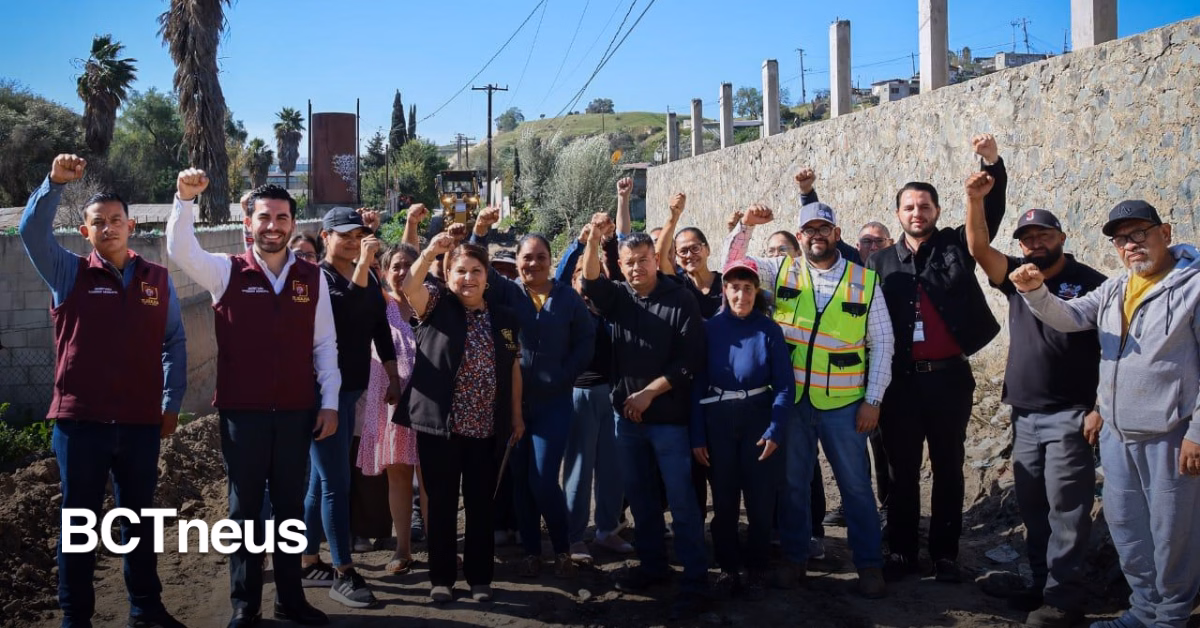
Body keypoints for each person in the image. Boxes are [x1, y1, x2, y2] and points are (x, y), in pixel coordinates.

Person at [1010, 200, 1200, 628]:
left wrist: (1198, 433)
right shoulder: (1116, 288)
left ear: (1165, 233)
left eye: (1139, 234)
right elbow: (1069, 317)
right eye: (1121, 239)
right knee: (1128, 530)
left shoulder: (1194, 287)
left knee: (1173, 535)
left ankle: (1169, 618)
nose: (1131, 245)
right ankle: (1143, 610)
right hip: (1116, 434)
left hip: (1171, 435)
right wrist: (1034, 291)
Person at [21, 154, 187, 628]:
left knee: (138, 522)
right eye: (99, 222)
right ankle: (76, 616)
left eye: (116, 220)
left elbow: (173, 341)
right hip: (81, 424)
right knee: (79, 526)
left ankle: (146, 609)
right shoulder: (68, 273)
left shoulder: (158, 279)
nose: (109, 228)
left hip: (139, 423)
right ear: (84, 231)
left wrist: (170, 402)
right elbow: (32, 231)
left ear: (131, 225)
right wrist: (53, 183)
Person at [167, 173, 336, 627]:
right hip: (244, 413)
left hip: (298, 410)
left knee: (288, 507)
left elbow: (324, 346)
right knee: (244, 511)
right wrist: (185, 200)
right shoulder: (226, 272)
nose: (274, 225)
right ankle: (246, 604)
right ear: (249, 223)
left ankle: (290, 600)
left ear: (292, 222)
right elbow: (181, 250)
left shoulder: (311, 278)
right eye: (265, 217)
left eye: (282, 217)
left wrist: (331, 402)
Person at [723, 201, 894, 598]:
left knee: (856, 488)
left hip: (845, 406)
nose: (817, 235)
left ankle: (869, 565)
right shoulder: (781, 270)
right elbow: (731, 262)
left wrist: (874, 399)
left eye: (824, 228)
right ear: (799, 237)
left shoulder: (863, 280)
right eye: (809, 230)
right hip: (793, 403)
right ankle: (795, 559)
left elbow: (882, 343)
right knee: (793, 485)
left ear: (836, 233)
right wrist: (746, 225)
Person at [964, 176, 1106, 627]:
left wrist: (1099, 405)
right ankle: (1042, 585)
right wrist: (974, 200)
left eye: (1043, 234)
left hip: (1071, 414)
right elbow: (977, 249)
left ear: (1062, 237)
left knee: (1068, 510)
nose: (1034, 243)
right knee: (1034, 508)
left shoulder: (1092, 284)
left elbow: (1113, 350)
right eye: (1026, 238)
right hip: (1023, 414)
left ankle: (1065, 601)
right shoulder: (1016, 278)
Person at [865, 134, 1008, 583]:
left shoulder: (955, 246)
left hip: (949, 381)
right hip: (900, 383)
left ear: (937, 212)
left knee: (948, 467)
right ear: (898, 215)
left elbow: (990, 213)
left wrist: (992, 165)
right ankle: (903, 551)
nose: (917, 213)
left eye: (925, 206)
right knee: (901, 469)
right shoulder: (879, 263)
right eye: (909, 207)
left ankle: (945, 554)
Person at [580, 223, 708, 621]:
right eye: (629, 263)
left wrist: (650, 392)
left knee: (682, 503)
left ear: (657, 259)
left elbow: (690, 360)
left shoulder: (680, 299)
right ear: (620, 265)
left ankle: (695, 579)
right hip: (628, 421)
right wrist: (590, 241)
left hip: (668, 419)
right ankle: (653, 567)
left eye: (643, 260)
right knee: (641, 501)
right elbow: (588, 281)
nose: (637, 268)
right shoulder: (617, 298)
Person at [397, 234, 525, 604]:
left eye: (475, 271)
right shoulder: (436, 306)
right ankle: (441, 579)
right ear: (448, 274)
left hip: (487, 428)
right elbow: (410, 286)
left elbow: (514, 368)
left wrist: (516, 415)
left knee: (481, 504)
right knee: (440, 503)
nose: (468, 278)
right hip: (442, 427)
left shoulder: (505, 318)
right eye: (460, 271)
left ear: (487, 276)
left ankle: (480, 579)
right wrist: (429, 252)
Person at [470, 207, 596, 579]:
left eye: (541, 258)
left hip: (553, 404)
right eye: (527, 258)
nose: (534, 264)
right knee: (522, 480)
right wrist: (480, 234)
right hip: (514, 405)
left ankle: (561, 547)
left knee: (542, 479)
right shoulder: (509, 293)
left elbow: (587, 338)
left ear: (550, 261)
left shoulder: (567, 298)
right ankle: (530, 551)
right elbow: (480, 266)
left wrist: (566, 374)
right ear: (519, 263)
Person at [296, 207, 398, 609]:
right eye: (345, 236)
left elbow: (377, 326)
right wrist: (365, 265)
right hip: (324, 394)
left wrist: (393, 374)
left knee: (320, 482)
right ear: (325, 237)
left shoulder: (369, 276)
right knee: (336, 481)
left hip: (352, 388)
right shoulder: (318, 278)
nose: (354, 242)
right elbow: (348, 310)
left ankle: (307, 560)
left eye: (359, 235)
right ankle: (343, 571)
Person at [690, 257, 792, 597]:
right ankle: (728, 566)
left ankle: (758, 564)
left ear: (756, 292)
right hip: (718, 422)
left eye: (748, 289)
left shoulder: (769, 330)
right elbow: (698, 383)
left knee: (761, 500)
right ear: (725, 290)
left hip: (758, 421)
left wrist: (776, 428)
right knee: (724, 500)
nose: (741, 295)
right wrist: (698, 434)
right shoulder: (710, 329)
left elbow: (785, 386)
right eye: (734, 288)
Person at [555, 216, 634, 564]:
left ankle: (606, 530)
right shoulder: (565, 306)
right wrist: (582, 240)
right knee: (578, 468)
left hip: (612, 394)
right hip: (579, 395)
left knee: (612, 467)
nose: (585, 282)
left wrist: (605, 240)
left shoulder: (608, 308)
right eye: (580, 277)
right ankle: (574, 537)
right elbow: (559, 277)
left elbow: (615, 271)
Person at [357, 243, 429, 575]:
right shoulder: (378, 306)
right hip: (390, 404)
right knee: (399, 476)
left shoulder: (433, 306)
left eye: (409, 265)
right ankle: (403, 548)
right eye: (395, 266)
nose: (402, 272)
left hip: (431, 405)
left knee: (432, 478)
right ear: (383, 273)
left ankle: (439, 546)